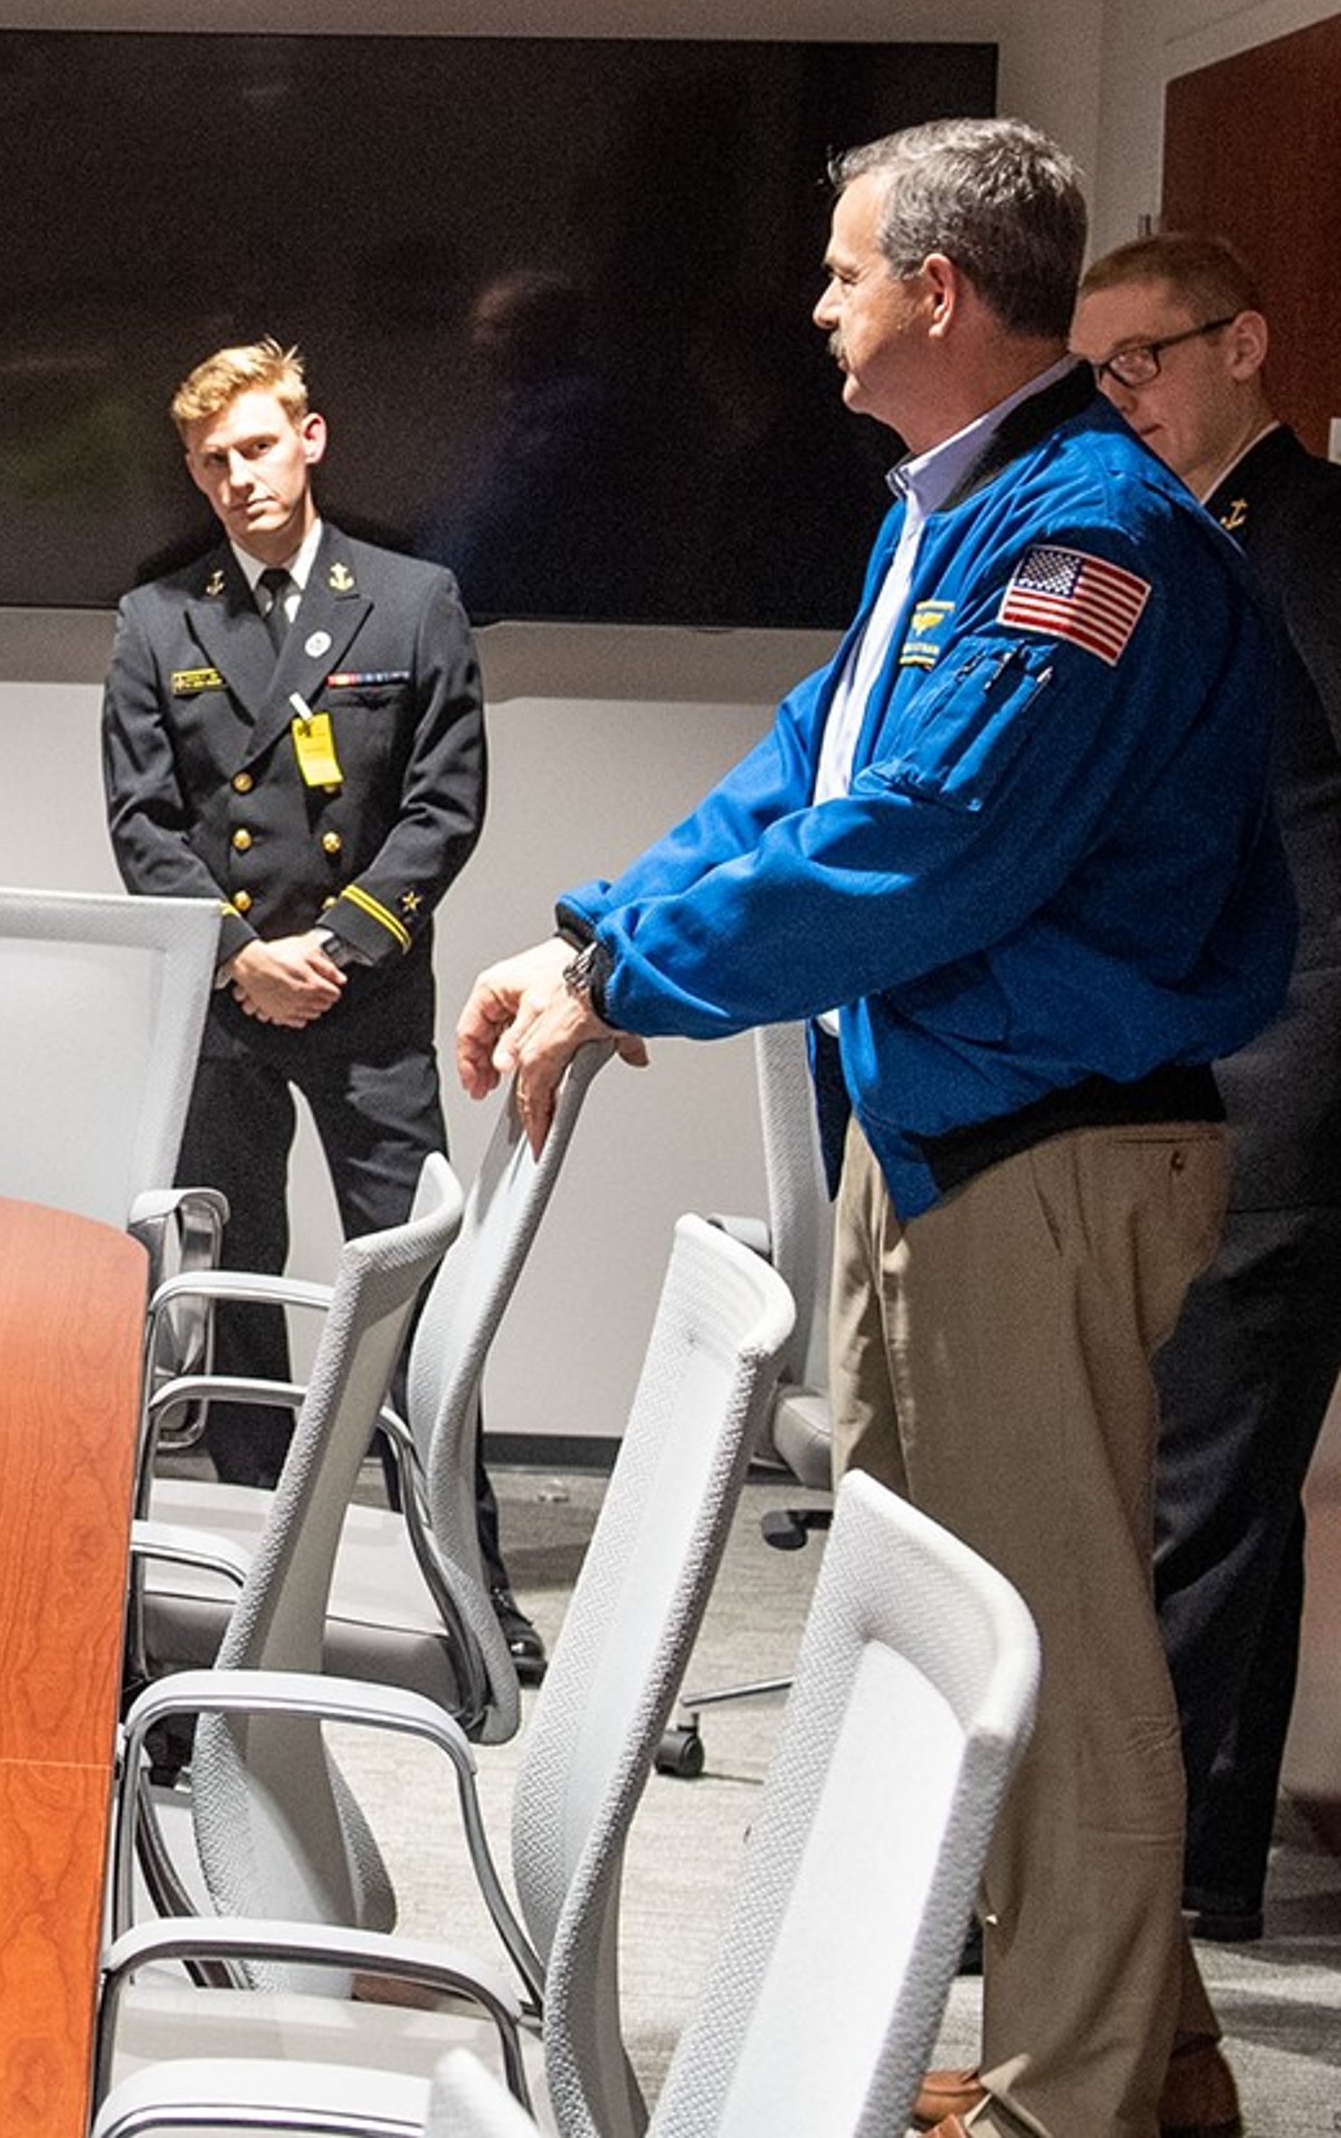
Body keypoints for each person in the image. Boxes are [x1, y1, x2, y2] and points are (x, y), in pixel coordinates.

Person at [459, 119, 1290, 2138]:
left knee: (1046, 1653)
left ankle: (1063, 2100)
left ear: (937, 291)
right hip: (941, 1135)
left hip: (1051, 1147)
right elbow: (804, 772)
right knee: (977, 1640)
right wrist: (598, 935)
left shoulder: (1089, 535)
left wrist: (632, 983)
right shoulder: (951, 508)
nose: (815, 304)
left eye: (844, 271)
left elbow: (926, 852)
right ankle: (1142, 2059)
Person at [100, 342, 513, 1658]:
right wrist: (241, 955)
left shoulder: (410, 598)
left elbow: (446, 801)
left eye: (261, 445)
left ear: (312, 438)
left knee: (415, 1300)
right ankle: (258, 1575)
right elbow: (142, 821)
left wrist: (335, 945)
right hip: (228, 1005)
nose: (240, 475)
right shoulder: (157, 618)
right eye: (216, 459)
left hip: (369, 996)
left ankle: (467, 1582)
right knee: (235, 1286)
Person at [1073, 232, 1341, 1950]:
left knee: (1192, 1481)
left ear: (1244, 344)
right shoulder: (1185, 535)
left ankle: (1125, 1889)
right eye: (1091, 374)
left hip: (1290, 1064)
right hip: (1219, 1048)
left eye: (1143, 363)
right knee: (1230, 1484)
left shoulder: (1316, 540)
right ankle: (1204, 1860)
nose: (1119, 402)